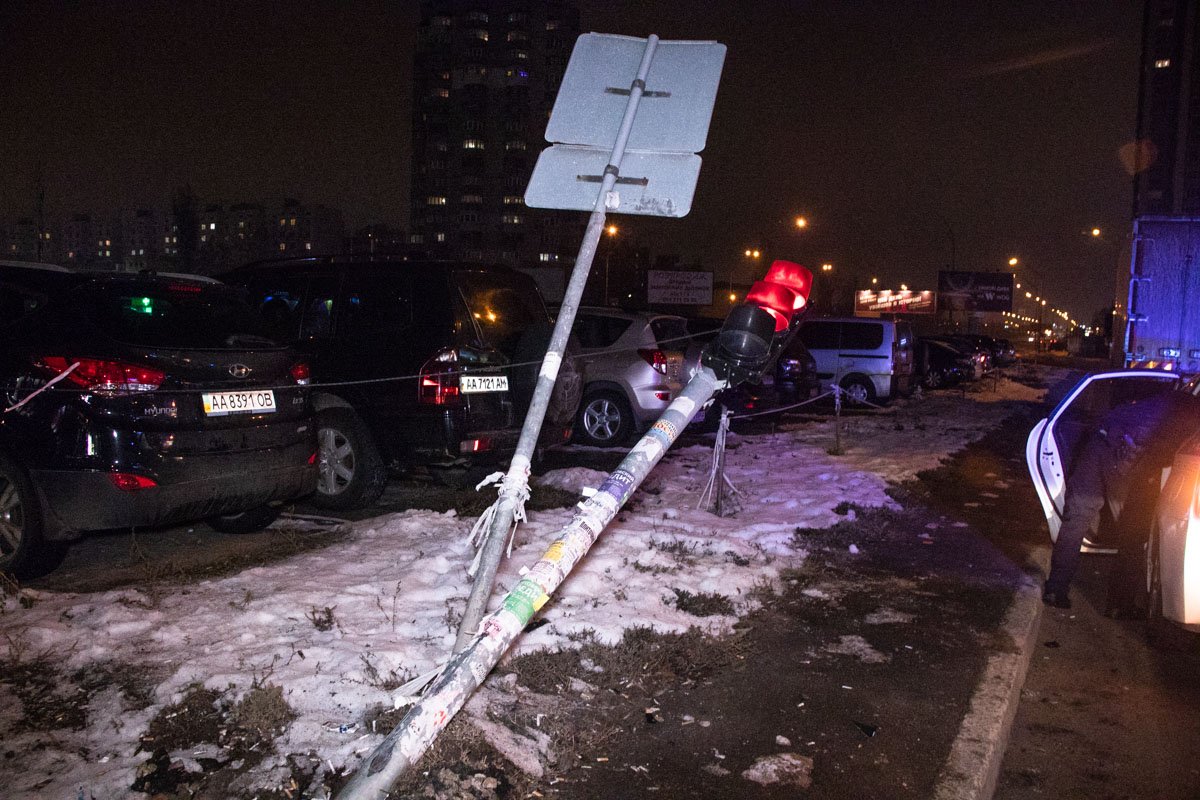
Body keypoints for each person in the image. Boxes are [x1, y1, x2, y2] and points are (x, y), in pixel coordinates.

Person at [1044, 388, 1200, 610]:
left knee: (1076, 520)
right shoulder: (1192, 416)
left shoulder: (1165, 398)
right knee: (1132, 533)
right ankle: (1120, 605)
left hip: (1100, 440)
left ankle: (1055, 589)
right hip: (1129, 452)